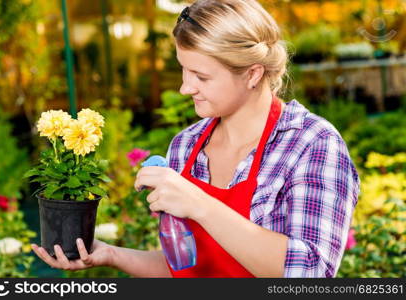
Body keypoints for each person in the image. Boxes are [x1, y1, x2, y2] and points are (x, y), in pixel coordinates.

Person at [32, 0, 359, 278]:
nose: (185, 88)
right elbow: (185, 266)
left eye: (201, 76)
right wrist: (111, 254)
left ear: (253, 74)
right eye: (183, 70)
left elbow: (311, 271)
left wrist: (200, 204)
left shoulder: (311, 145)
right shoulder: (186, 146)